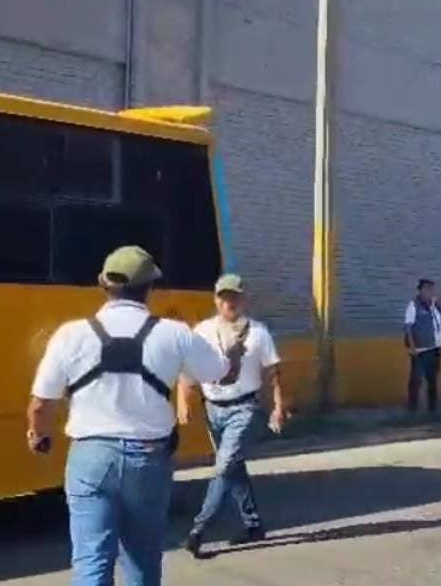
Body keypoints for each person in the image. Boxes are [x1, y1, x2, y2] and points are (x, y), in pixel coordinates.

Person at [26, 246, 228, 586]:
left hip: (91, 457)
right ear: (150, 287)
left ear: (103, 283)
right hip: (148, 459)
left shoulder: (70, 334)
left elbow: (40, 405)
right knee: (142, 561)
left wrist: (37, 435)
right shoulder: (173, 333)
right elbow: (217, 370)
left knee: (91, 562)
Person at [179, 274, 288, 558]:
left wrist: (278, 406)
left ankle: (198, 530)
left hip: (245, 408)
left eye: (235, 296)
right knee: (233, 468)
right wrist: (184, 400)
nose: (229, 302)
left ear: (243, 299)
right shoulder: (202, 331)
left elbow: (274, 373)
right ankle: (254, 525)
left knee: (224, 466)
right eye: (224, 296)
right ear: (216, 299)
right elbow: (188, 369)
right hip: (213, 408)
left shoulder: (258, 333)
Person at [404, 278, 441, 412]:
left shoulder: (436, 306)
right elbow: (408, 328)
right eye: (427, 289)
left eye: (432, 289)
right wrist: (412, 347)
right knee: (416, 381)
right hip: (420, 350)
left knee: (432, 381)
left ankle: (432, 410)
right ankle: (412, 410)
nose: (431, 292)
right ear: (420, 291)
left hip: (435, 349)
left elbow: (440, 325)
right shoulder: (414, 305)